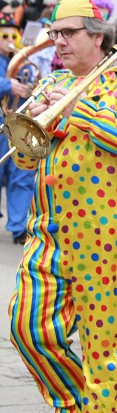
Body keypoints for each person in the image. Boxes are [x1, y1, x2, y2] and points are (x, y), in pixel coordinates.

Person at [10, 0, 117, 413]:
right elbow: (29, 157)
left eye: (69, 33)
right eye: (55, 34)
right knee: (27, 327)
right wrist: (27, 142)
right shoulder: (52, 81)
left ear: (98, 37)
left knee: (104, 344)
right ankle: (75, 409)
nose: (59, 42)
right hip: (49, 229)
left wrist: (80, 109)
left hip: (108, 235)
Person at [0, 13, 35, 245]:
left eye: (14, 35)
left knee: (21, 176)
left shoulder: (22, 62)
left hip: (17, 123)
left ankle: (19, 227)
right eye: (4, 36)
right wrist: (6, 84)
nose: (10, 39)